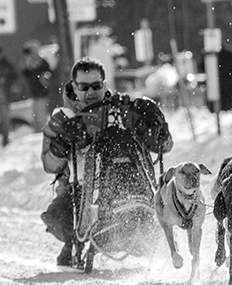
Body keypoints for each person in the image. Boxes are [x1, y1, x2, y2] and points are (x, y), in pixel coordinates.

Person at [40, 57, 173, 267]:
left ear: (104, 84)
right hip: (80, 191)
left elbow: (164, 146)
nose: (90, 92)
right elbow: (49, 165)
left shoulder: (122, 110)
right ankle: (75, 240)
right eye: (84, 87)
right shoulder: (63, 118)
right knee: (58, 216)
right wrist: (61, 144)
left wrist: (156, 128)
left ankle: (142, 225)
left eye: (96, 86)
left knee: (118, 139)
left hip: (126, 183)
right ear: (74, 86)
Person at [21, 40, 52, 132]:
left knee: (41, 117)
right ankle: (40, 133)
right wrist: (27, 63)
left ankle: (45, 133)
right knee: (36, 118)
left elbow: (45, 77)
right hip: (34, 94)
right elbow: (25, 74)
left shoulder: (42, 64)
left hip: (41, 93)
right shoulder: (30, 64)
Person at [0, 45, 19, 147]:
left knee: (5, 117)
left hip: (4, 95)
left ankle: (5, 138)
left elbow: (14, 76)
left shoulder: (6, 64)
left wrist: (6, 80)